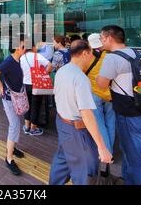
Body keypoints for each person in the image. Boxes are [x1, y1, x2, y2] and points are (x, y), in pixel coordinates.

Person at [96, 25, 141, 185]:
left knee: (135, 158)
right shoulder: (138, 54)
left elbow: (101, 84)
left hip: (129, 114)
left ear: (109, 38)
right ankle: (127, 180)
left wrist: (96, 79)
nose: (101, 41)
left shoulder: (112, 58)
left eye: (101, 38)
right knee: (131, 151)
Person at [49, 40, 113, 185]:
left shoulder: (61, 71)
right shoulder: (81, 78)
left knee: (63, 160)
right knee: (86, 170)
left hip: (62, 123)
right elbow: (86, 114)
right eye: (92, 53)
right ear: (85, 53)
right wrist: (102, 147)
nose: (93, 56)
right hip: (76, 130)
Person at [0, 37, 27, 176]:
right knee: (14, 125)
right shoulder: (9, 61)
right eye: (24, 46)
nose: (26, 48)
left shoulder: (18, 59)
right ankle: (9, 158)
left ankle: (13, 148)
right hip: (9, 98)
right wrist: (1, 87)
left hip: (15, 98)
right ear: (18, 48)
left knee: (16, 123)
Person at [86, 33, 115, 154]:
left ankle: (105, 151)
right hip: (111, 94)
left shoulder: (87, 56)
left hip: (95, 94)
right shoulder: (111, 55)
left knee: (99, 123)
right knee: (111, 122)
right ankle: (110, 150)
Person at [21, 44, 53, 136]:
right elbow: (50, 65)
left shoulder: (22, 57)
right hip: (36, 85)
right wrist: (44, 74)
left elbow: (21, 71)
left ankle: (26, 127)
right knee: (36, 107)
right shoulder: (37, 56)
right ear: (33, 48)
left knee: (27, 106)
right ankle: (33, 129)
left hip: (25, 84)